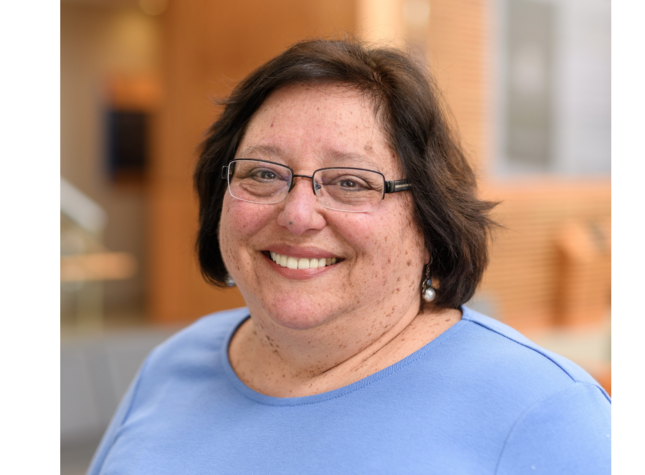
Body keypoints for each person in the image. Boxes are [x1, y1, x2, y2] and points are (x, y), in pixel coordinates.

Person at [88, 38, 610, 474]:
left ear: (430, 221)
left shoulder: (546, 413)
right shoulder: (174, 364)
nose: (297, 215)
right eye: (263, 173)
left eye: (350, 182)